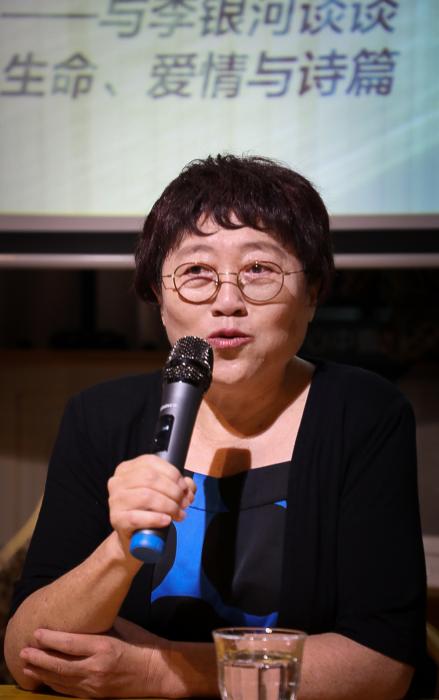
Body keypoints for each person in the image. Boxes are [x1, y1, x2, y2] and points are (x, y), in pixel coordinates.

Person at [4, 154, 430, 699]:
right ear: (158, 298)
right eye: (196, 273)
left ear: (313, 292)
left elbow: (383, 666)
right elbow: (25, 658)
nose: (227, 302)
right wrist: (120, 548)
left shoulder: (363, 413)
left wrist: (158, 673)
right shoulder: (100, 416)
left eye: (259, 270)